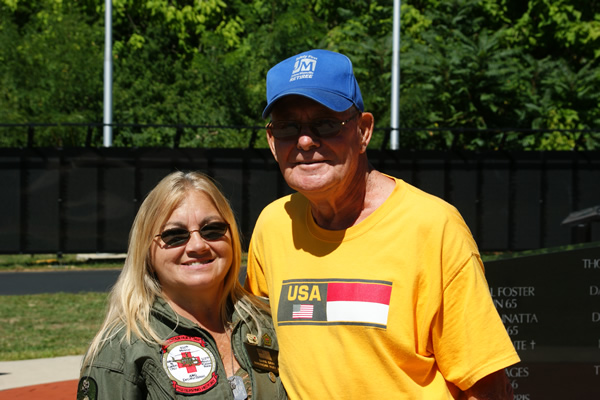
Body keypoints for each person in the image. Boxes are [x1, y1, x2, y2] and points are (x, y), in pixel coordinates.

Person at [244, 49, 520, 399]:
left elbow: (487, 385)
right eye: (287, 127)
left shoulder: (432, 227)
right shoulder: (273, 226)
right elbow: (262, 352)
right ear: (272, 142)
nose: (305, 140)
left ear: (363, 131)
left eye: (326, 123)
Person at [78, 171, 286, 400]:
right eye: (175, 235)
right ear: (146, 250)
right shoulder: (122, 347)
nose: (198, 245)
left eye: (212, 229)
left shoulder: (266, 324)